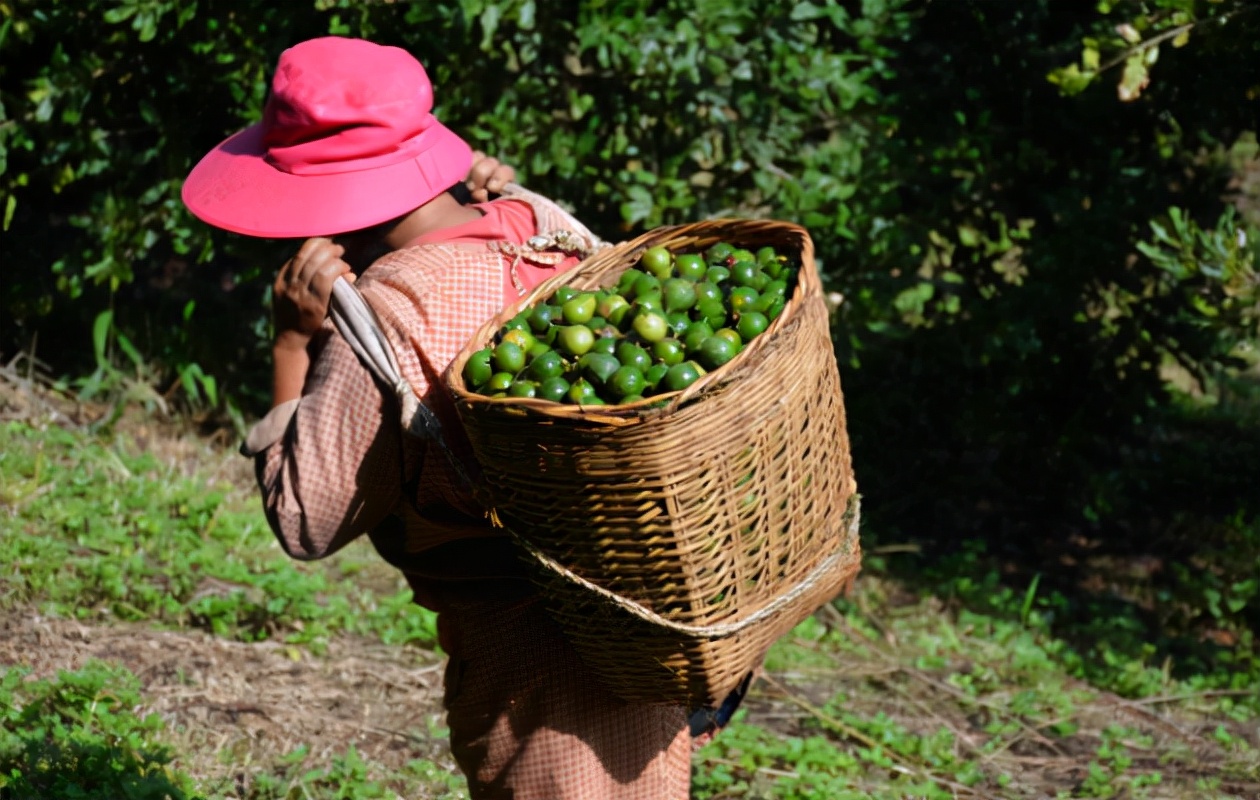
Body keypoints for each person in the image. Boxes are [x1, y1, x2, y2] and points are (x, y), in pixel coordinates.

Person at [181, 36, 693, 799]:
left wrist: (292, 340)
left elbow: (306, 522)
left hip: (530, 659)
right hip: (645, 609)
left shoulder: (387, 313)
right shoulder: (537, 219)